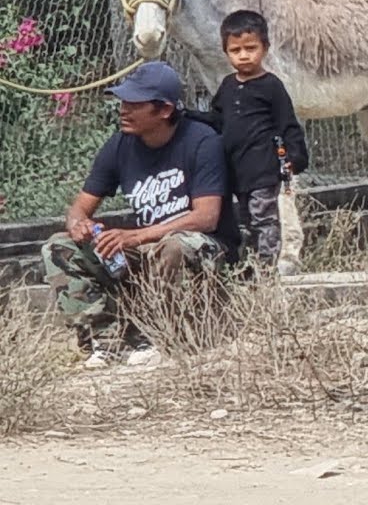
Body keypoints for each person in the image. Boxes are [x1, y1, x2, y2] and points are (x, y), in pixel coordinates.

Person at [41, 61, 242, 368]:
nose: (123, 110)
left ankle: (176, 336)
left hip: (203, 250)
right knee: (59, 247)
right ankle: (110, 340)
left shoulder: (203, 141)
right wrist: (78, 224)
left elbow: (206, 217)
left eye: (134, 103)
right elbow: (80, 206)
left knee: (174, 244)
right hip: (147, 249)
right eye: (122, 102)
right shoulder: (120, 144)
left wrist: (137, 236)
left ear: (164, 110)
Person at [194, 10, 308, 274]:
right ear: (226, 52)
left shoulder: (271, 86)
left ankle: (267, 271)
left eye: (250, 48)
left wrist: (295, 157)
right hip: (236, 169)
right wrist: (188, 116)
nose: (243, 55)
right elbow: (217, 120)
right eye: (235, 50)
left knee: (264, 218)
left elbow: (288, 124)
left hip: (263, 169)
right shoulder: (227, 86)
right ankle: (251, 266)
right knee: (245, 219)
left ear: (265, 48)